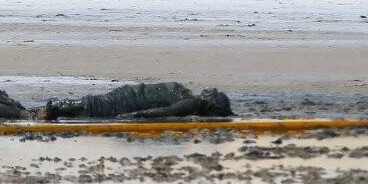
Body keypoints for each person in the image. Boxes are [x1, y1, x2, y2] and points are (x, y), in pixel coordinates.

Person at [44, 82, 233, 120]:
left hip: (128, 98)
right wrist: (131, 115)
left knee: (92, 106)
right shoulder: (190, 101)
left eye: (214, 93)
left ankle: (51, 111)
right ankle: (52, 111)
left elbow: (163, 112)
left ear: (210, 102)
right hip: (129, 99)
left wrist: (131, 115)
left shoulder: (189, 99)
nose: (211, 89)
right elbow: (162, 112)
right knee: (92, 107)